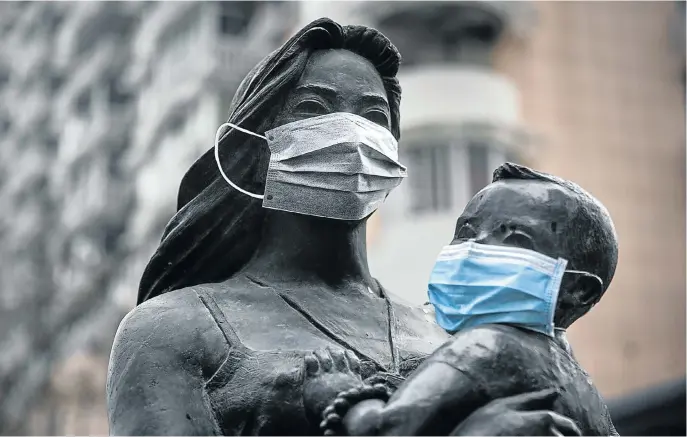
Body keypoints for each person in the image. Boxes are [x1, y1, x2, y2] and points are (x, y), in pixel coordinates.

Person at [106, 18, 579, 436]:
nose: (350, 132)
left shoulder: (450, 337)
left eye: (373, 116)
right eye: (314, 108)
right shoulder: (174, 328)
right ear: (253, 148)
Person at [333, 163, 619, 436]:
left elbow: (382, 429)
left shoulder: (490, 345)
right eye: (466, 233)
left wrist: (337, 389)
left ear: (580, 290)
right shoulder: (586, 393)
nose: (473, 248)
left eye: (516, 240)